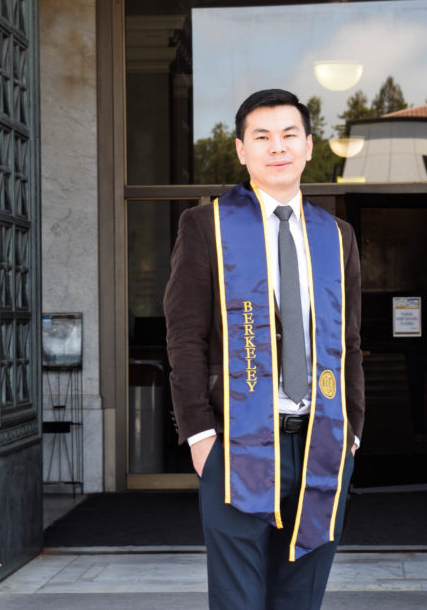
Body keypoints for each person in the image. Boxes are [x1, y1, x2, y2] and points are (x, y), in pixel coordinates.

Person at [164, 88, 365, 609]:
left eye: (289, 135)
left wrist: (353, 431)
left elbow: (349, 341)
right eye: (262, 137)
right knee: (239, 600)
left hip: (321, 441)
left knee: (301, 597)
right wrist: (200, 436)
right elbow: (185, 337)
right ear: (241, 150)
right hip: (235, 443)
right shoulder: (206, 226)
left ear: (308, 146)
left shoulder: (335, 235)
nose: (277, 147)